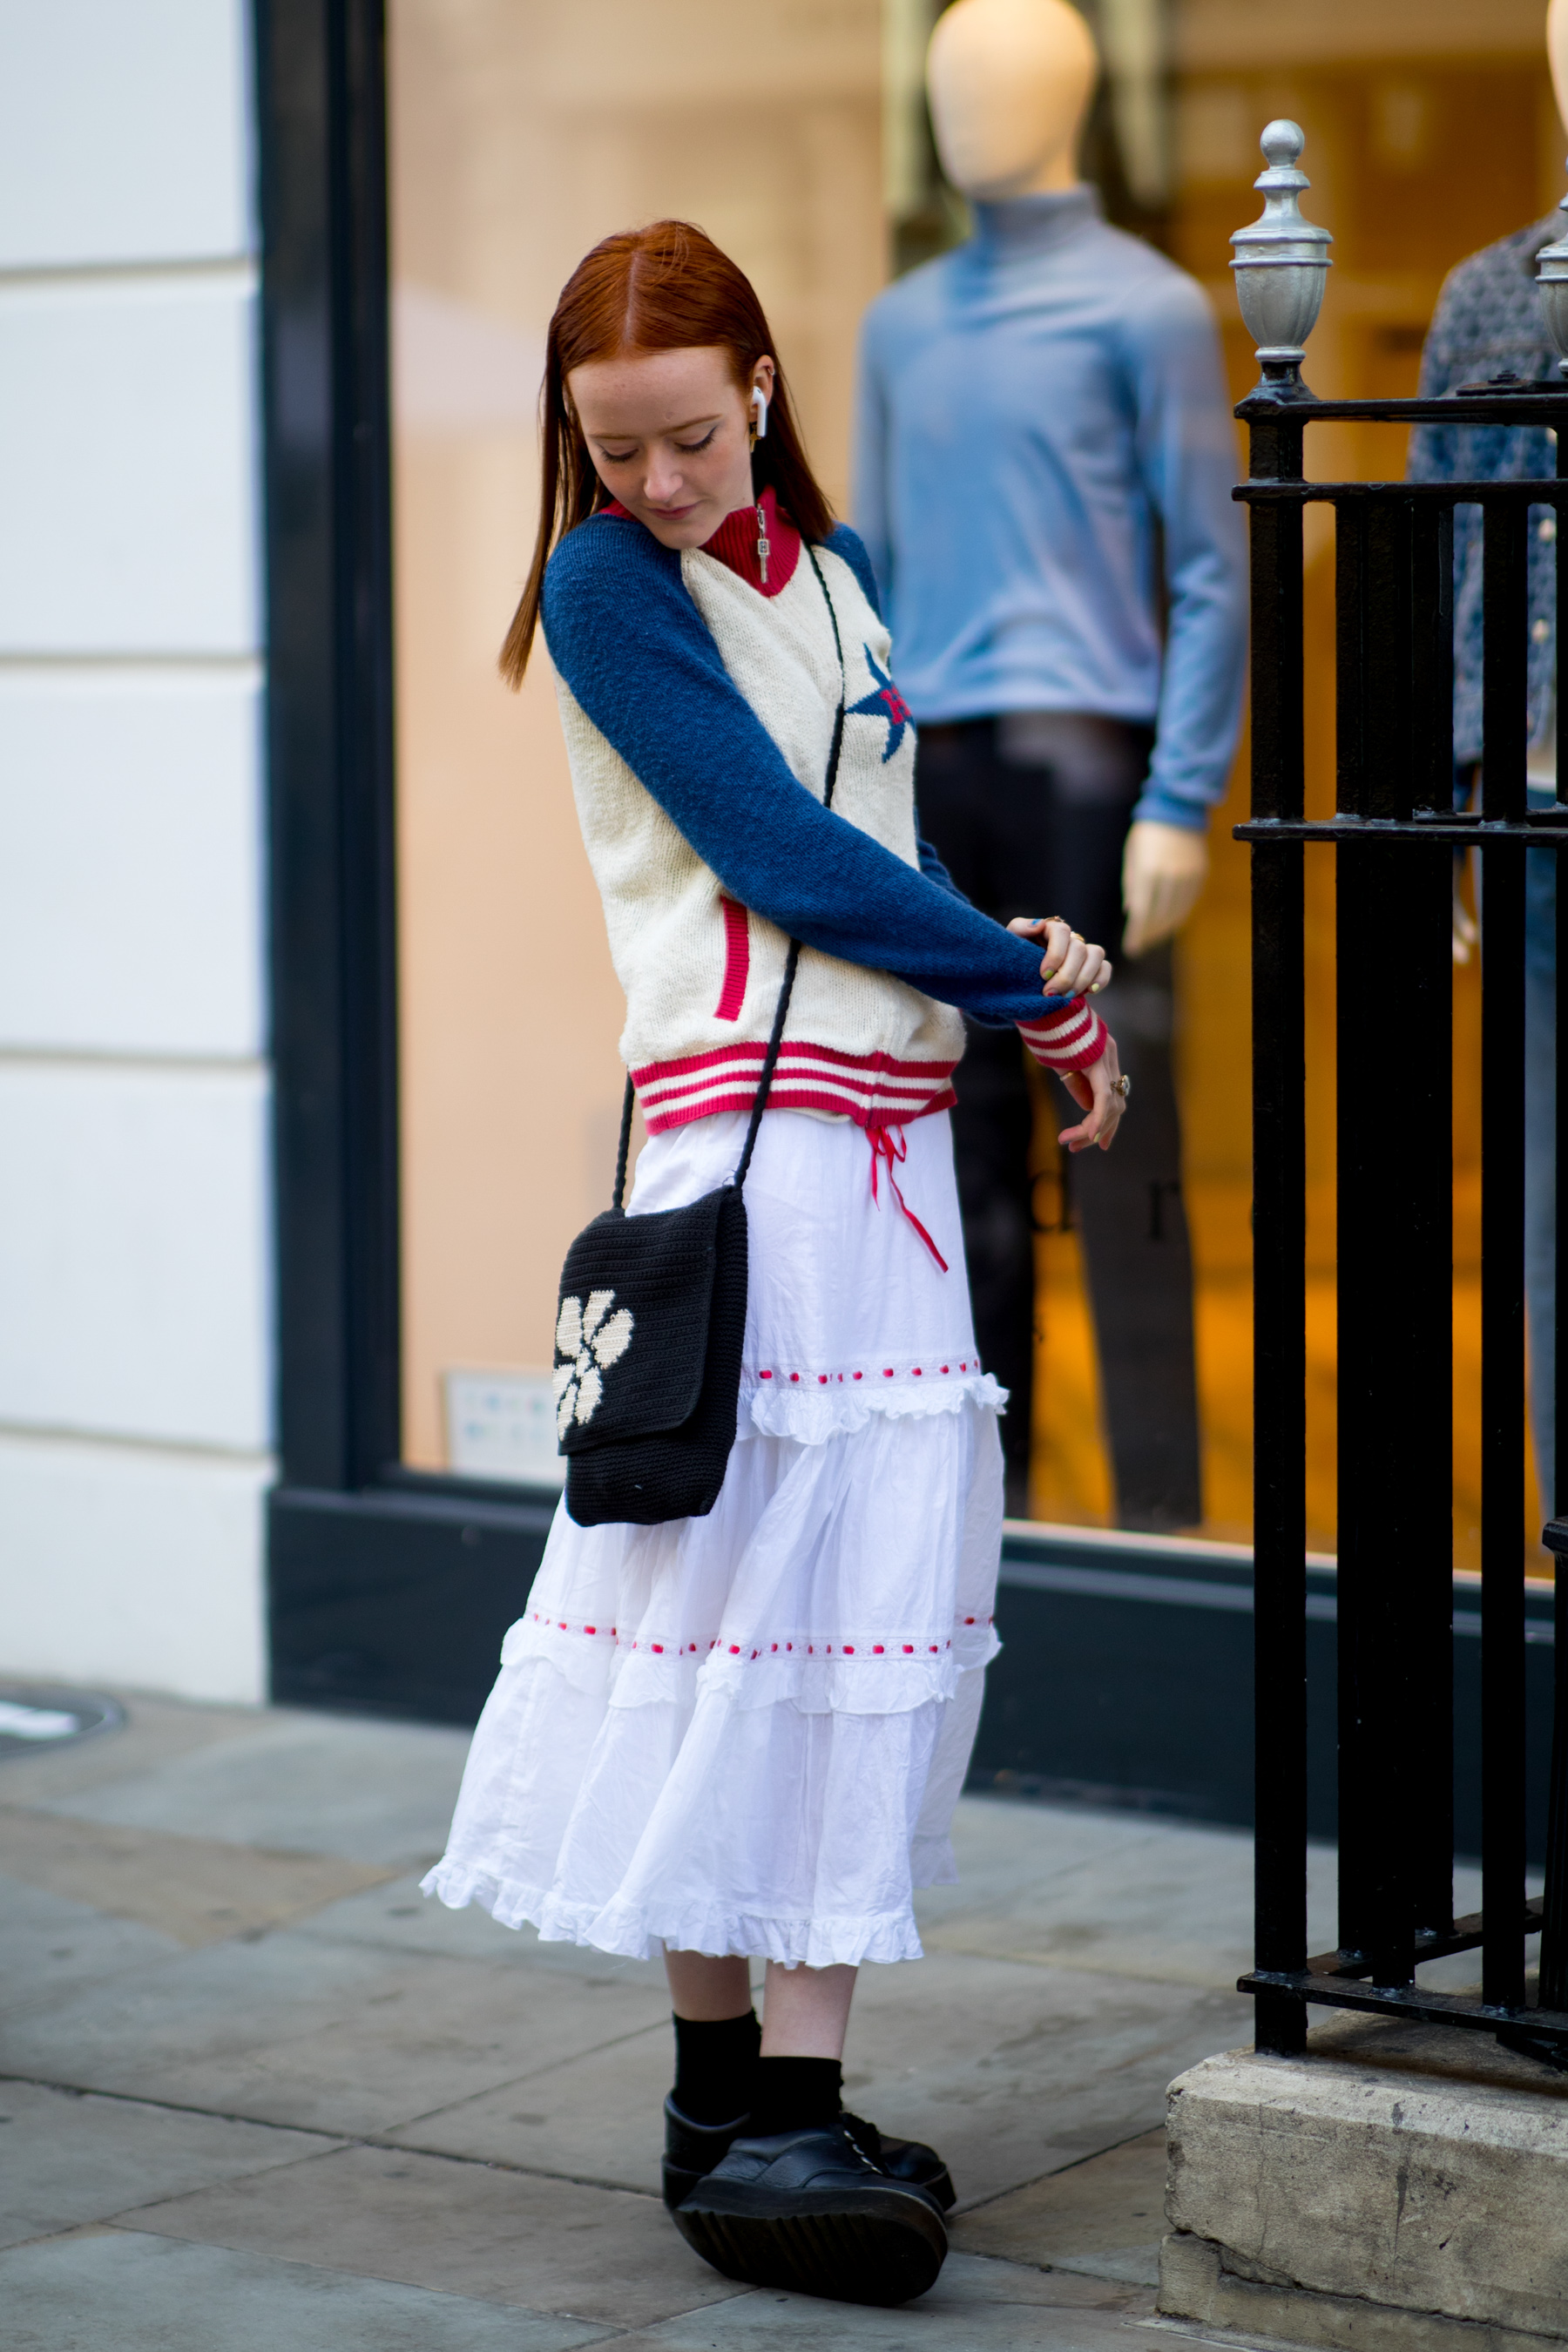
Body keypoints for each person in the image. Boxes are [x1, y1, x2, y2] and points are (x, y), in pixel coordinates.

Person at [422, 220, 1124, 2308]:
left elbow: (876, 855)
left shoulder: (827, 576)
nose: (655, 481)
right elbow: (765, 850)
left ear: (759, 383)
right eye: (612, 447)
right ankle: (754, 2099)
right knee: (750, 1601)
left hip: (872, 1150)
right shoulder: (602, 589)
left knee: (813, 1600)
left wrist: (1020, 955)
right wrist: (1020, 989)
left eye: (690, 435)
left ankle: (745, 2107)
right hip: (749, 1156)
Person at [855, 0, 1247, 1523]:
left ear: (1072, 99)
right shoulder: (901, 325)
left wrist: (1178, 797)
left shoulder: (1148, 311)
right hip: (935, 780)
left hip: (1092, 780)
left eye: (992, 83)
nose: (963, 112)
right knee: (955, 1153)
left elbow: (1213, 570)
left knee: (1122, 1143)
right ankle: (982, 1512)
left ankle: (1158, 1514)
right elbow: (866, 577)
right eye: (946, 83)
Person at [1408, 209, 1559, 1515]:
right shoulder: (1483, 295)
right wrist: (1460, 781)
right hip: (1533, 792)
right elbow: (1442, 548)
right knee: (1552, 1189)